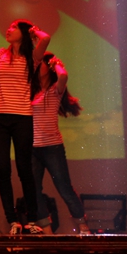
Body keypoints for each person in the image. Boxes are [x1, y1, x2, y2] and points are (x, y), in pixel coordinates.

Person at [0, 20, 50, 235]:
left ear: (23, 33)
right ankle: (12, 220)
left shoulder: (32, 57)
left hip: (22, 117)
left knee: (25, 169)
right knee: (3, 169)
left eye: (13, 27)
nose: (8, 30)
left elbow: (45, 38)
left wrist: (34, 31)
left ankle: (32, 219)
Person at [31, 52, 90, 234]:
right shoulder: (30, 90)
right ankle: (47, 231)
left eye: (41, 63)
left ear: (49, 67)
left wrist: (54, 61)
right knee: (33, 190)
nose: (37, 65)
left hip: (52, 147)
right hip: (32, 148)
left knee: (64, 188)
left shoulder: (55, 90)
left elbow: (63, 75)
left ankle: (83, 226)